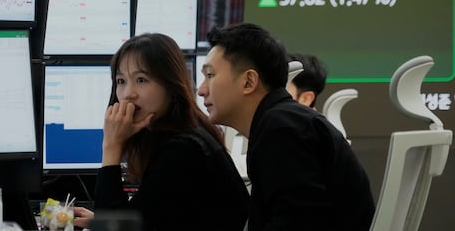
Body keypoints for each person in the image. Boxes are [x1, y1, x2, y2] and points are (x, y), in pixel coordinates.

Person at [197, 23, 375, 231]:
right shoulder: (281, 121)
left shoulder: (281, 129)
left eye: (210, 75)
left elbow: (299, 222)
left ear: (249, 82)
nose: (201, 90)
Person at [73, 32, 249, 231]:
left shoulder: (182, 151)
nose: (128, 94)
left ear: (170, 85)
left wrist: (111, 146)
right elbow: (154, 217)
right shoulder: (185, 135)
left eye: (141, 80)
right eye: (121, 81)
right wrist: (103, 218)